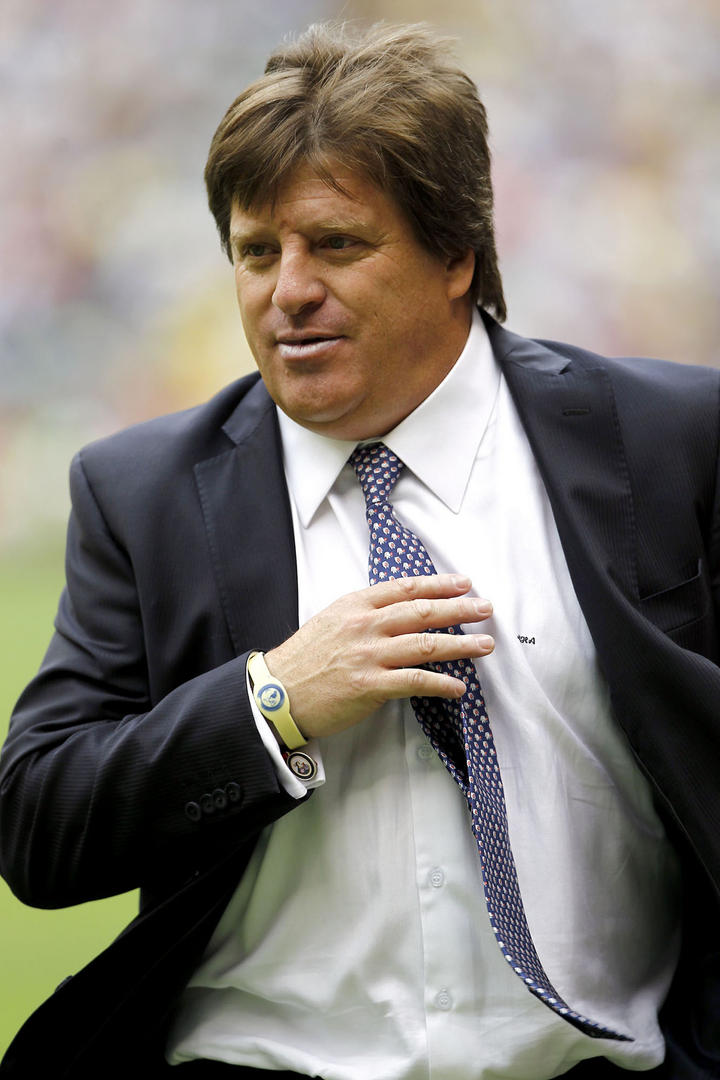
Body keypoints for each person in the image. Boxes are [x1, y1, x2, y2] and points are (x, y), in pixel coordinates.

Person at [0, 20, 718, 1080]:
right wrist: (272, 705)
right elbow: (40, 825)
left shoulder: (672, 443)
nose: (287, 290)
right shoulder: (138, 494)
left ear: (457, 255)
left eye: (336, 244)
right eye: (257, 251)